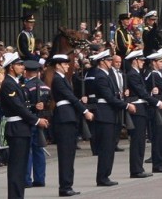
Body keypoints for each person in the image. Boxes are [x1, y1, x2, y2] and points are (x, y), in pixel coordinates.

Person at [0, 52, 50, 198]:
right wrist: (36, 120)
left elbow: (24, 106)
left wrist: (35, 108)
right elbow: (17, 107)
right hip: (16, 128)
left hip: (22, 128)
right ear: (10, 67)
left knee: (21, 167)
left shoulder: (16, 82)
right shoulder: (8, 84)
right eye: (19, 65)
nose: (22, 67)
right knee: (16, 167)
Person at [87, 49, 136, 187]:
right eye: (108, 60)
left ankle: (105, 175)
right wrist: (126, 106)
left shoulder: (106, 75)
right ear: (102, 62)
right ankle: (102, 177)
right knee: (106, 148)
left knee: (109, 147)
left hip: (110, 114)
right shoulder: (101, 76)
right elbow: (109, 97)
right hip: (105, 114)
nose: (111, 63)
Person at [48, 54, 92, 197]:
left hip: (69, 116)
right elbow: (70, 97)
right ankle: (65, 186)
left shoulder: (63, 79)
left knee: (70, 153)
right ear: (58, 65)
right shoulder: (58, 80)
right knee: (66, 154)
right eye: (65, 64)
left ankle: (68, 184)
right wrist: (84, 110)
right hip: (64, 118)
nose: (68, 66)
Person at [123, 49, 155, 178]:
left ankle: (139, 168)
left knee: (141, 140)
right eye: (141, 60)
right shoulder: (132, 74)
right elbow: (141, 92)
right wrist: (156, 102)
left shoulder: (137, 73)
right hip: (137, 109)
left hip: (141, 108)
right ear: (134, 61)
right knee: (137, 141)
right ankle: (136, 169)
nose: (143, 62)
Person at [22, 60, 48, 189]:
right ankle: (40, 178)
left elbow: (24, 106)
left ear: (26, 72)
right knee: (39, 151)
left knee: (28, 151)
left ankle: (27, 179)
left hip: (30, 120)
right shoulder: (45, 86)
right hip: (41, 120)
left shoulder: (26, 87)